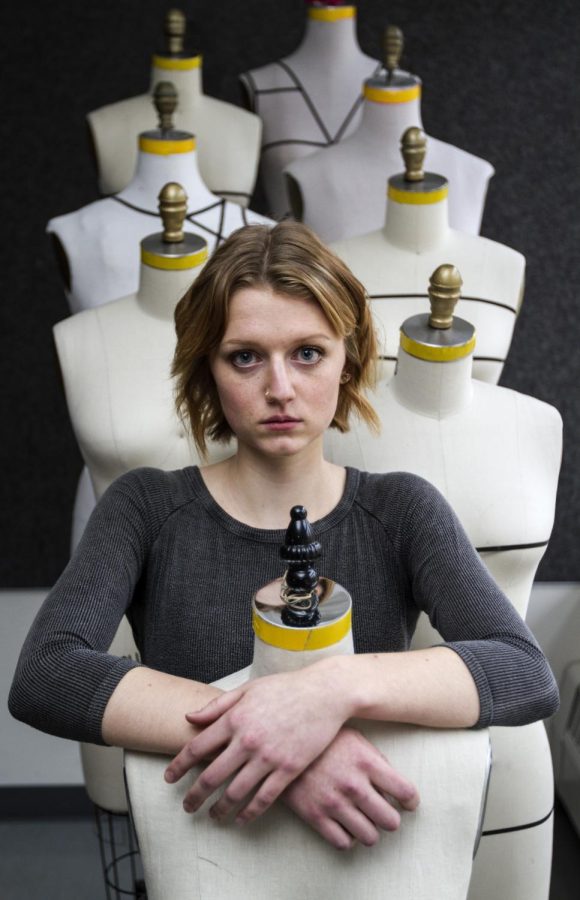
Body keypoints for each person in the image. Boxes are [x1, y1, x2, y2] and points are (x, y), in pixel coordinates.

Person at [9, 222, 558, 851]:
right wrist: (274, 737)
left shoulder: (401, 509)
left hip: (365, 858)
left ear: (346, 358)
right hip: (203, 860)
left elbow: (523, 674)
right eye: (245, 356)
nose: (280, 388)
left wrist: (325, 693)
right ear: (207, 369)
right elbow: (46, 675)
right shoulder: (146, 507)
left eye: (307, 353)